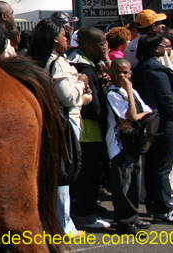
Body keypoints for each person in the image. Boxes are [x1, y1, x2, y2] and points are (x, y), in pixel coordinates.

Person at [27, 18, 91, 237]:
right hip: (63, 123)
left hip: (44, 120)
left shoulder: (32, 60)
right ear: (55, 38)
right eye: (65, 35)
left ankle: (48, 220)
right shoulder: (57, 63)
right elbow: (68, 97)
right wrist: (81, 84)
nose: (68, 39)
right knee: (62, 173)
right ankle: (63, 224)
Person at [131, 33, 173, 225]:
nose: (167, 48)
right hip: (164, 123)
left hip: (151, 122)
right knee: (161, 168)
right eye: (163, 45)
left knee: (152, 167)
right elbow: (168, 100)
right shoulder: (155, 70)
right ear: (154, 49)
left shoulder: (140, 68)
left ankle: (154, 204)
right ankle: (163, 208)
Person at [67, 28, 111, 230]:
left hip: (89, 129)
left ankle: (90, 206)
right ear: (91, 45)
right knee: (87, 175)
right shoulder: (83, 66)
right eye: (102, 44)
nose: (106, 47)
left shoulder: (89, 63)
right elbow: (91, 104)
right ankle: (85, 213)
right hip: (87, 130)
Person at [105, 59, 153, 234]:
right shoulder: (113, 93)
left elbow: (147, 111)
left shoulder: (130, 91)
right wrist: (134, 111)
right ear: (111, 73)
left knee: (134, 181)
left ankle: (133, 217)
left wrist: (136, 115)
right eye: (118, 72)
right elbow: (132, 116)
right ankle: (125, 221)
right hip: (120, 145)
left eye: (125, 72)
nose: (122, 76)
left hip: (135, 143)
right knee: (123, 183)